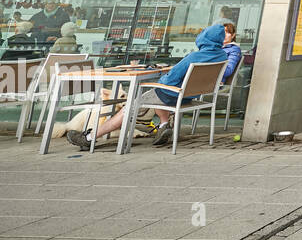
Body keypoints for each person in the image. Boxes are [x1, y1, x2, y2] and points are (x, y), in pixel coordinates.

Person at [67, 22, 236, 151]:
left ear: (204, 38)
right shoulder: (221, 55)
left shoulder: (194, 56)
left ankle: (89, 137)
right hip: (189, 96)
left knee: (129, 108)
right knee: (157, 93)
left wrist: (157, 80)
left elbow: (172, 77)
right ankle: (163, 126)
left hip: (172, 94)